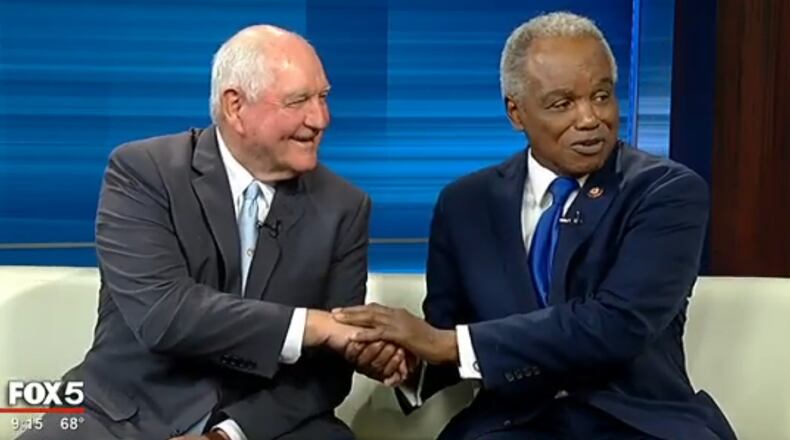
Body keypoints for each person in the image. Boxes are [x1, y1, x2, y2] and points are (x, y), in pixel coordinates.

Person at [334, 11, 737, 440]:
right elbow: (446, 329)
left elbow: (618, 323)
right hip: (511, 425)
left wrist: (447, 345)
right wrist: (403, 361)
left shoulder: (666, 191)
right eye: (562, 104)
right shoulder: (466, 203)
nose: (589, 119)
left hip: (638, 424)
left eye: (601, 96)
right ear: (516, 112)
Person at [18, 25, 407, 440]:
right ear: (235, 106)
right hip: (124, 415)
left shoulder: (345, 207)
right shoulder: (143, 173)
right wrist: (313, 325)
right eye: (298, 101)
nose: (320, 119)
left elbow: (327, 374)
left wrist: (229, 435)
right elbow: (164, 313)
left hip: (262, 425)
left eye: (323, 97)